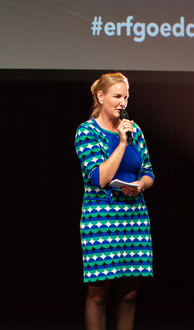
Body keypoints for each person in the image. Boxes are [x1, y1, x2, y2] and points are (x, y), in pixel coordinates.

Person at [74, 72, 155, 330]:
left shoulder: (135, 129)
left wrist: (140, 184)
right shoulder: (87, 131)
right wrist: (121, 142)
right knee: (99, 294)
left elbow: (149, 171)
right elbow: (99, 177)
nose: (123, 102)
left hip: (134, 219)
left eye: (126, 97)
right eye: (117, 96)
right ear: (101, 97)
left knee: (130, 293)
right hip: (102, 219)